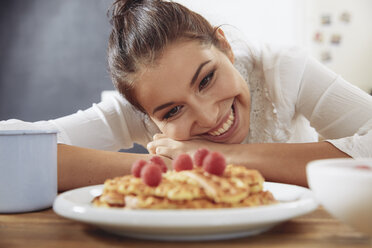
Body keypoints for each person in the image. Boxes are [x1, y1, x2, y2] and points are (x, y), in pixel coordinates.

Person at [1, 0, 372, 192]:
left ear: (223, 46)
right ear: (148, 114)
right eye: (173, 110)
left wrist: (219, 158)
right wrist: (174, 171)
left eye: (206, 79)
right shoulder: (138, 111)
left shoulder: (283, 69)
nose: (209, 117)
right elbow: (9, 154)